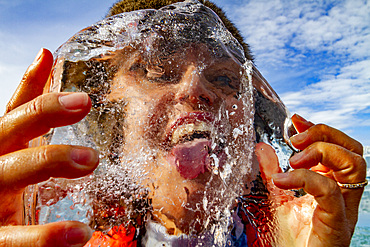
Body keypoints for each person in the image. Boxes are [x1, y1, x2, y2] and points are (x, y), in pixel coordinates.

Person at [0, 0, 367, 246]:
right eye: (157, 70)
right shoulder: (68, 238)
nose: (195, 89)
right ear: (114, 123)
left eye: (225, 80)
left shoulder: (293, 233)